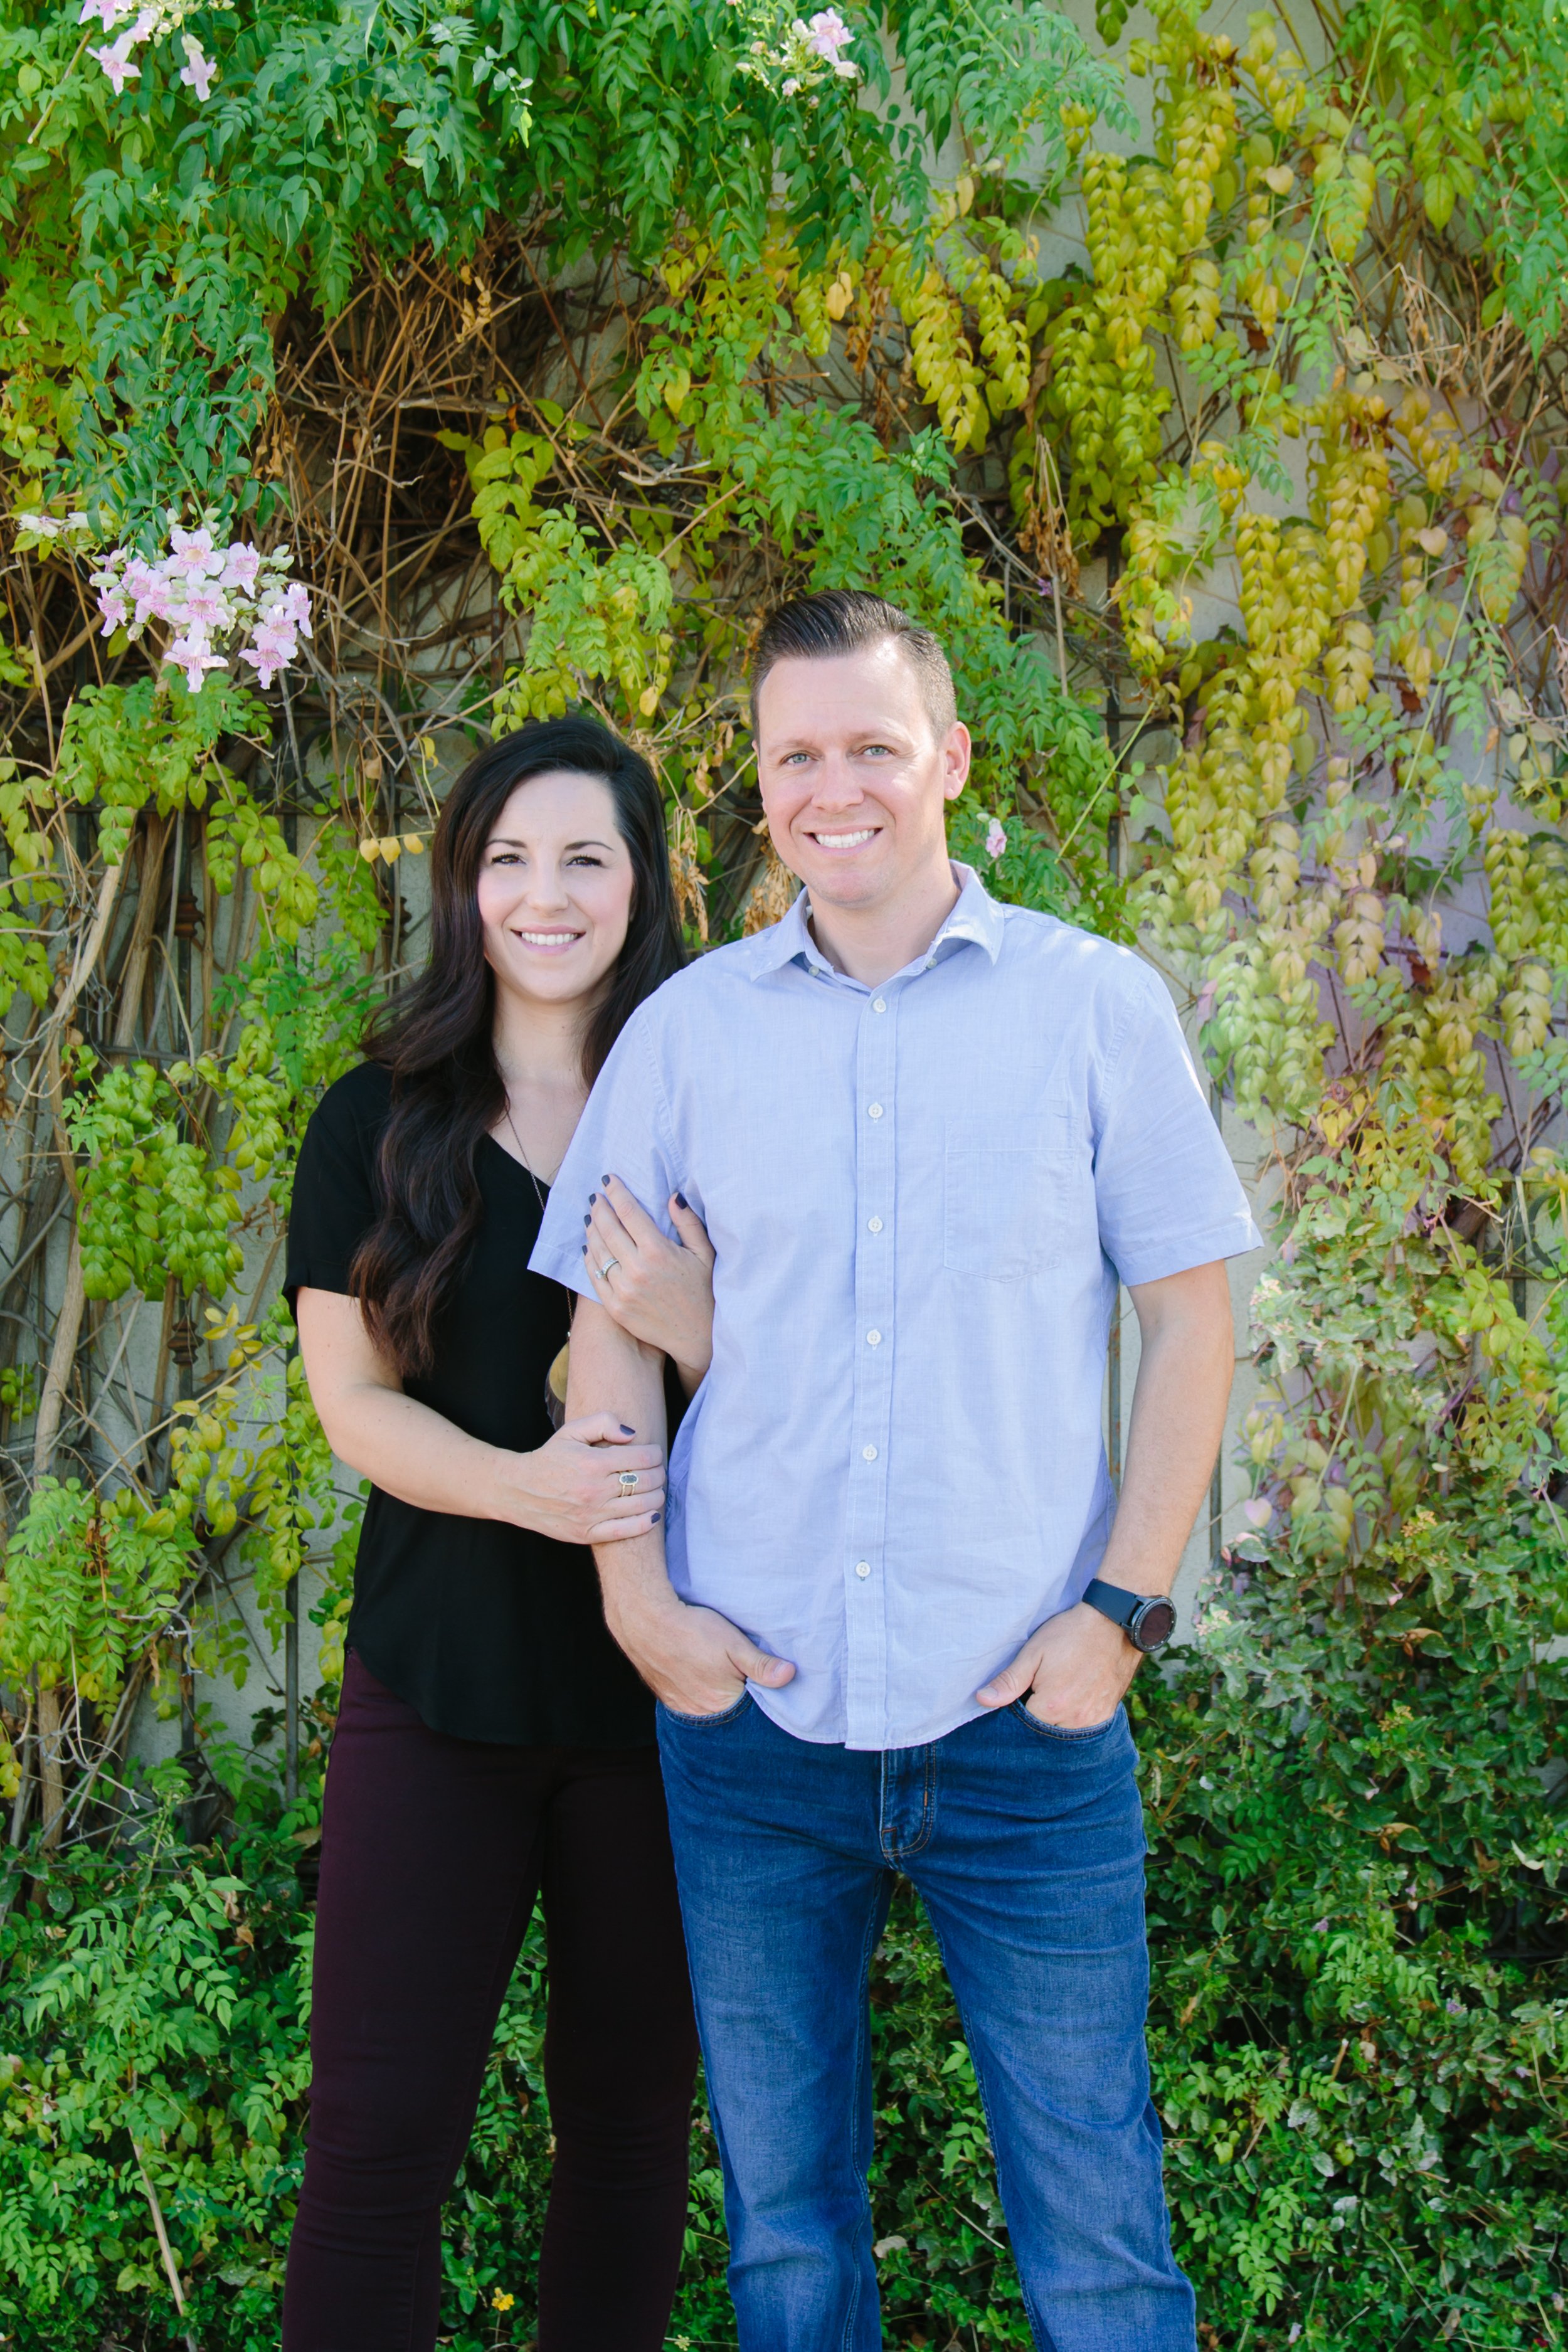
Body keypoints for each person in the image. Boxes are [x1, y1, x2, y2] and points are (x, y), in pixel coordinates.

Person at [532, 590, 1263, 2352]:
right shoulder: (690, 1033)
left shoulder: (1092, 1007)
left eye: (872, 745)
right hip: (753, 1728)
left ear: (949, 758)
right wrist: (635, 1602)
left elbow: (1191, 1322)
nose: (832, 787)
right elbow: (604, 1334)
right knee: (786, 2242)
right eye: (796, 756)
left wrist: (1120, 1615)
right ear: (760, 784)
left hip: (1026, 1723)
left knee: (1101, 2240)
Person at [281, 718, 716, 2352]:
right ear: (465, 885)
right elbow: (354, 1407)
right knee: (375, 2148)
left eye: (585, 858)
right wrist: (529, 1487)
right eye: (509, 859)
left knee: (629, 2141)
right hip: (436, 1686)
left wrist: (696, 1327)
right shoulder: (376, 1121)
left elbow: (799, 1393)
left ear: (642, 884)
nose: (547, 896)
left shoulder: (707, 1114)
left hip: (657, 1713)